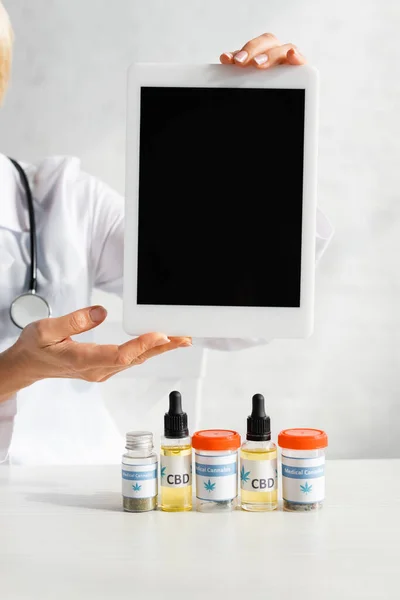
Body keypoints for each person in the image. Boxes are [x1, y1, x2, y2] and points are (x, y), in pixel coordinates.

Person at [0, 2, 333, 464]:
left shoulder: (63, 199)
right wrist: (11, 372)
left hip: (74, 488)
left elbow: (231, 314)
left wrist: (268, 143)